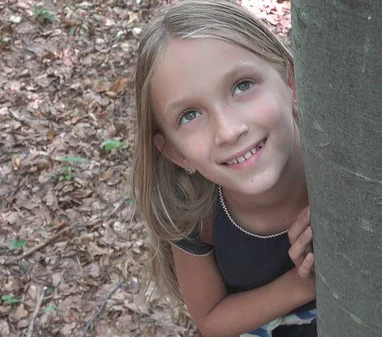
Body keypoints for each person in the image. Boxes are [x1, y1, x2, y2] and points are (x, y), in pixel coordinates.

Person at [131, 1, 317, 336]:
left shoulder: (350, 168)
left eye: (242, 85)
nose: (229, 130)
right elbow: (211, 319)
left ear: (290, 81)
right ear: (175, 152)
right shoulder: (193, 214)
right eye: (190, 115)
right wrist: (302, 285)